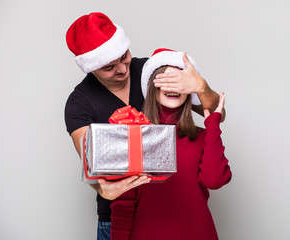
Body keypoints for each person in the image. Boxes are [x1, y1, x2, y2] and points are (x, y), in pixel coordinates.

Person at [64, 13, 223, 240]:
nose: (121, 68)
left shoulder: (152, 71)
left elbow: (215, 113)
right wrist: (102, 189)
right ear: (91, 68)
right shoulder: (79, 103)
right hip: (115, 217)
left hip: (167, 208)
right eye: (109, 67)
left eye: (124, 56)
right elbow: (91, 166)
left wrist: (201, 87)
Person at [110, 48, 232, 240]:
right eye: (165, 80)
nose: (173, 86)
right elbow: (123, 205)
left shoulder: (202, 137)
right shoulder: (133, 137)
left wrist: (213, 124)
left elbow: (214, 180)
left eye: (180, 81)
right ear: (151, 86)